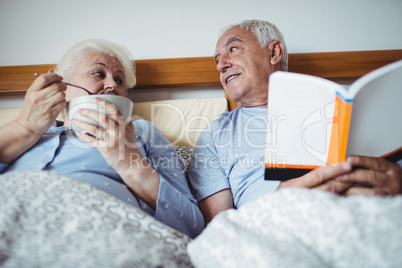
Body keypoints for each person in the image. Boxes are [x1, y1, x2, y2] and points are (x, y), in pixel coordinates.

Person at [188, 19, 402, 225]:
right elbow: (218, 225)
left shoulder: (351, 102)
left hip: (372, 214)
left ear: (274, 52)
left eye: (233, 49)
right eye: (217, 59)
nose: (221, 65)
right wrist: (284, 200)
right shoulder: (215, 135)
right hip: (279, 228)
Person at [0, 39, 204, 238]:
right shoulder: (29, 130)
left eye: (119, 81)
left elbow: (192, 225)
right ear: (63, 85)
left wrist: (131, 165)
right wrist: (24, 126)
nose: (111, 85)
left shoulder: (143, 133)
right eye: (98, 73)